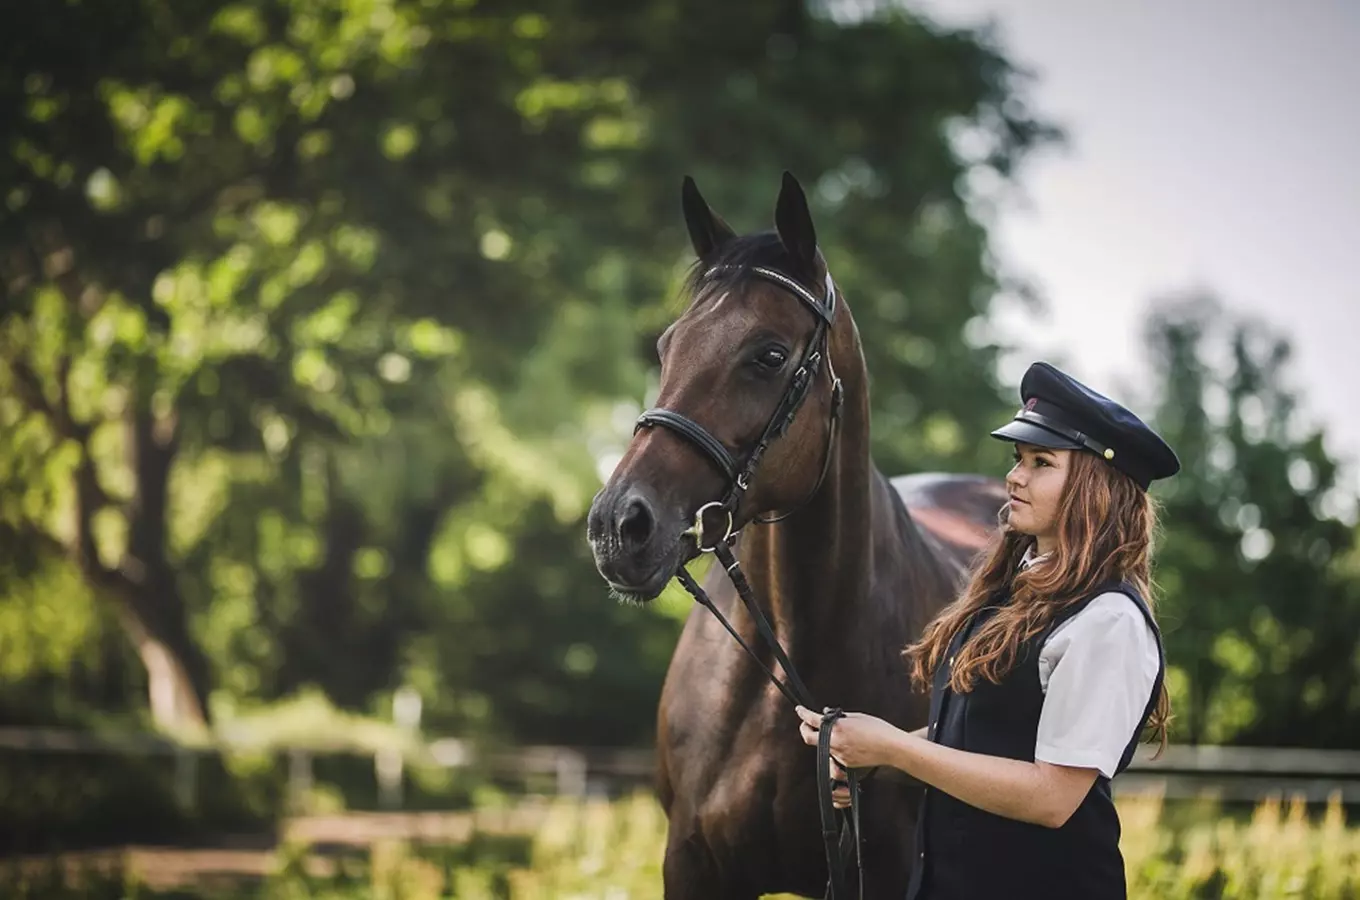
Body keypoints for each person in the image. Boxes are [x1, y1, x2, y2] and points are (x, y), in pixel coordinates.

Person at [795, 361, 1179, 900]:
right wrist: (875, 753)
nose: (1015, 477)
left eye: (1041, 463)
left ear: (1098, 488)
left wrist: (897, 752)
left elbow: (1053, 797)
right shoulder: (1011, 590)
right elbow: (978, 735)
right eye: (1018, 460)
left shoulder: (1109, 621)